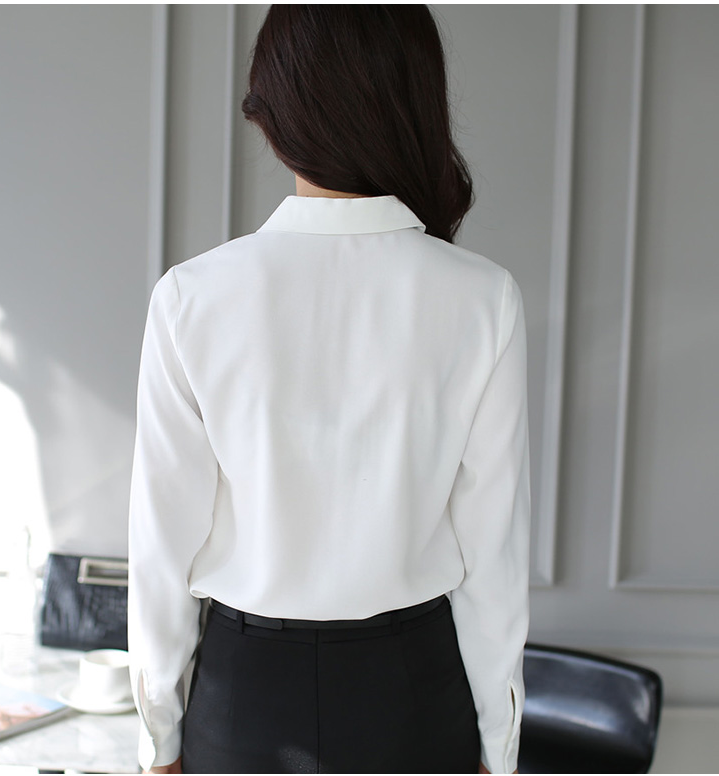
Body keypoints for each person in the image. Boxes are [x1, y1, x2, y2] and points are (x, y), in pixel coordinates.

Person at [127, 5, 530, 774]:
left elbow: (161, 547)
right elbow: (493, 555)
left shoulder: (191, 298)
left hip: (244, 698)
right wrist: (499, 747)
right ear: (418, 101)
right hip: (415, 694)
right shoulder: (483, 299)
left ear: (272, 114)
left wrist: (158, 741)